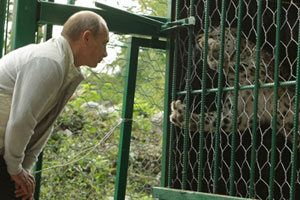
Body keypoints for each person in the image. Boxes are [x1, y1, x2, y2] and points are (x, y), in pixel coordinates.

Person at [0, 10, 109, 199]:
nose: (106, 53)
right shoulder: (51, 62)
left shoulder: (63, 64)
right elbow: (21, 121)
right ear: (87, 37)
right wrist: (16, 169)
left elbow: (43, 125)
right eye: (104, 44)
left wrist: (22, 169)